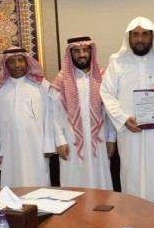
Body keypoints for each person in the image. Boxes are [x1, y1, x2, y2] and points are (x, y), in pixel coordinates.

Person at [100, 16, 154, 215]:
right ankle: (133, 222)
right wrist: (122, 119)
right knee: (132, 177)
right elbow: (107, 93)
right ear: (129, 37)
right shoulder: (117, 63)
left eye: (144, 35)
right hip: (130, 132)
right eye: (135, 35)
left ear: (152, 37)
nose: (140, 39)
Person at [50, 36, 116, 190]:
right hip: (71, 140)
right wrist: (60, 141)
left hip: (99, 139)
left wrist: (111, 138)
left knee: (100, 181)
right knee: (74, 183)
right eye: (76, 51)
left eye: (85, 50)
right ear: (70, 54)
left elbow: (110, 111)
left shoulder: (103, 78)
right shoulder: (61, 80)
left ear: (91, 51)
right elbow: (55, 114)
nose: (82, 55)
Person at [0, 47, 54, 187]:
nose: (17, 65)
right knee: (12, 183)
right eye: (11, 61)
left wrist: (49, 145)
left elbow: (50, 116)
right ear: (6, 65)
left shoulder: (41, 86)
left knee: (38, 184)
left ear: (27, 62)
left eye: (20, 60)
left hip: (36, 147)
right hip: (8, 148)